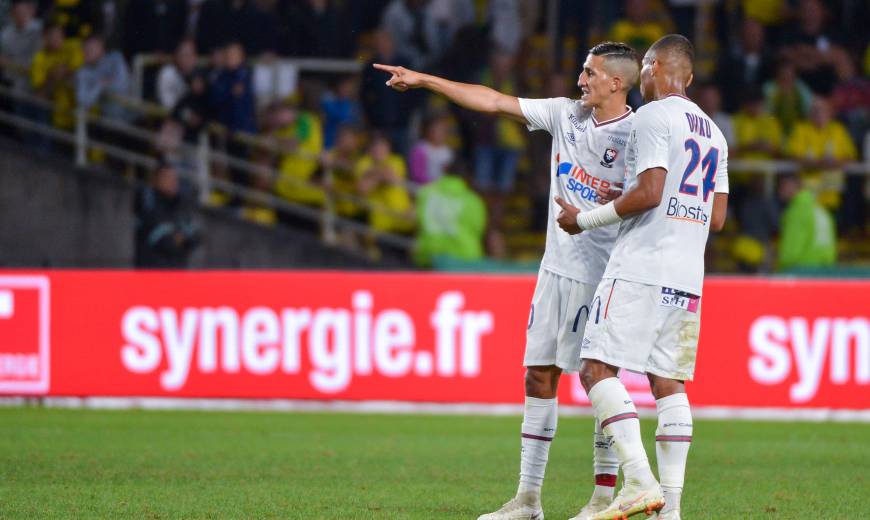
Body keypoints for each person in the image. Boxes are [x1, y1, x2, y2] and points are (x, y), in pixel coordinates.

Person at [375, 40, 641, 520]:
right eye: (583, 71)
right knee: (537, 375)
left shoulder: (638, 134)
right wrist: (425, 80)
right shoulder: (566, 114)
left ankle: (604, 497)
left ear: (616, 82)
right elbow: (494, 101)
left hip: (603, 275)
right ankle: (528, 500)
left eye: (590, 73)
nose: (580, 80)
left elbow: (650, 197)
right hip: (553, 269)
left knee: (601, 381)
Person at [554, 35, 728, 520]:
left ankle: (638, 480)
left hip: (642, 265)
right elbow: (716, 219)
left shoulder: (652, 116)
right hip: (687, 274)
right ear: (689, 76)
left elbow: (650, 191)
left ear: (651, 67)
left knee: (595, 369)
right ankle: (670, 511)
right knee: (668, 383)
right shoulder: (715, 134)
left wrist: (585, 219)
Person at [134, 162, 201, 268]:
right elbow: (163, 241)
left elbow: (196, 235)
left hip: (176, 272)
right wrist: (179, 237)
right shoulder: (148, 202)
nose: (173, 182)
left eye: (175, 178)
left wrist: (180, 237)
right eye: (167, 178)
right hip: (151, 272)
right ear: (156, 180)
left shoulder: (179, 205)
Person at [776, 174, 836, 272]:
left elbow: (791, 248)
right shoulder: (821, 210)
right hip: (824, 270)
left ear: (794, 186)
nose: (779, 191)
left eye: (782, 186)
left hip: (800, 271)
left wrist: (783, 270)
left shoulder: (797, 211)